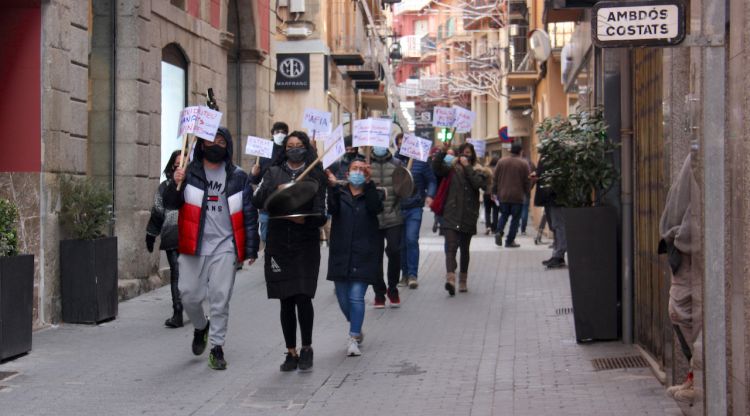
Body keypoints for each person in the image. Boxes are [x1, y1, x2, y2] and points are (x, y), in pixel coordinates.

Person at [164, 127, 259, 370]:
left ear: (227, 145)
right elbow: (170, 204)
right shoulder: (189, 173)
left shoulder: (238, 176)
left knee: (220, 297)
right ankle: (200, 326)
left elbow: (249, 213)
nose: (215, 145)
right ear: (201, 144)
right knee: (188, 294)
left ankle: (217, 347)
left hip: (224, 246)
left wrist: (251, 247)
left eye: (221, 141)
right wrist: (175, 183)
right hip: (193, 244)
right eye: (210, 140)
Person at [252, 131, 327, 372]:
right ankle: (291, 351)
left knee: (303, 296)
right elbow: (257, 199)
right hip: (278, 243)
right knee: (286, 298)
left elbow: (321, 213)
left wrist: (304, 221)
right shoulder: (273, 172)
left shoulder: (316, 174)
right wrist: (277, 188)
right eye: (290, 146)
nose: (294, 149)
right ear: (284, 150)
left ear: (306, 148)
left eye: (299, 145)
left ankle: (307, 348)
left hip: (305, 243)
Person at [327, 159, 383, 356]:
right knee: (343, 299)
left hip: (364, 252)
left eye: (361, 170)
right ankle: (357, 327)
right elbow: (332, 210)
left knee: (356, 296)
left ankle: (353, 338)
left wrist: (369, 186)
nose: (358, 173)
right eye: (354, 169)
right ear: (347, 173)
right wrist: (332, 188)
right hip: (341, 252)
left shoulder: (373, 192)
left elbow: (376, 208)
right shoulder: (339, 193)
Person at [659, 154, 699, 404]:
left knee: (683, 313)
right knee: (680, 312)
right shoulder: (696, 154)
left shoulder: (703, 153)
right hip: (682, 247)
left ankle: (697, 377)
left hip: (688, 250)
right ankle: (694, 375)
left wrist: (681, 238)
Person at [432, 143, 488, 295]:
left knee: (464, 249)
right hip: (451, 214)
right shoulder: (451, 168)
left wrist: (468, 167)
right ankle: (450, 279)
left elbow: (479, 185)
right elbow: (436, 167)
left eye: (468, 153)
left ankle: (463, 280)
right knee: (450, 247)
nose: (465, 155)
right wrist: (443, 151)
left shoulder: (478, 169)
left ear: (473, 155)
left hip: (468, 215)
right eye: (462, 153)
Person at [146, 150, 183, 328]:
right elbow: (158, 210)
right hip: (172, 235)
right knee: (176, 272)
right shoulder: (164, 187)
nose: (180, 167)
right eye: (177, 164)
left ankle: (193, 306)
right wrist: (151, 234)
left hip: (192, 235)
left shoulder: (194, 184)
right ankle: (177, 311)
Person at [393, 134, 436, 289]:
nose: (401, 147)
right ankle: (404, 274)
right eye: (399, 144)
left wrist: (430, 195)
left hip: (414, 207)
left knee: (411, 239)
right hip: (397, 207)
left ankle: (412, 275)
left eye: (403, 144)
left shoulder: (421, 162)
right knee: (401, 244)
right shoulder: (394, 162)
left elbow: (431, 180)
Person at [370, 145, 404, 308]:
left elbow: (407, 189)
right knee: (375, 256)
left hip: (393, 216)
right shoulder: (365, 164)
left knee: (395, 251)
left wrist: (406, 185)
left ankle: (393, 288)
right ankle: (379, 292)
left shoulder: (397, 164)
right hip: (372, 219)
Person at [250, 121, 289, 242]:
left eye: (283, 132)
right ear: (272, 133)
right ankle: (268, 257)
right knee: (266, 235)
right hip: (265, 202)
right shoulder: (263, 152)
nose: (280, 134)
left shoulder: (289, 151)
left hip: (284, 202)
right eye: (277, 132)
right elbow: (254, 180)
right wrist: (253, 174)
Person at [493, 143, 531, 248]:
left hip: (503, 195)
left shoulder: (501, 162)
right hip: (517, 196)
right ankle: (509, 241)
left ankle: (499, 231)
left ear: (510, 151)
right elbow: (527, 181)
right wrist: (527, 192)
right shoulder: (524, 163)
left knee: (504, 215)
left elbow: (495, 178)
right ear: (520, 151)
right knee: (515, 219)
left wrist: (494, 191)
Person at [535, 154, 566, 268]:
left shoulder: (555, 154)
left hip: (554, 197)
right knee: (554, 226)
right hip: (548, 197)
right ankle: (557, 254)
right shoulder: (548, 154)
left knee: (558, 225)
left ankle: (558, 255)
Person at [481, 157, 499, 235]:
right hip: (496, 193)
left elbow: (482, 180)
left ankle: (488, 226)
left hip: (487, 193)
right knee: (495, 211)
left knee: (487, 211)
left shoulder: (486, 170)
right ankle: (494, 228)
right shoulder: (499, 170)